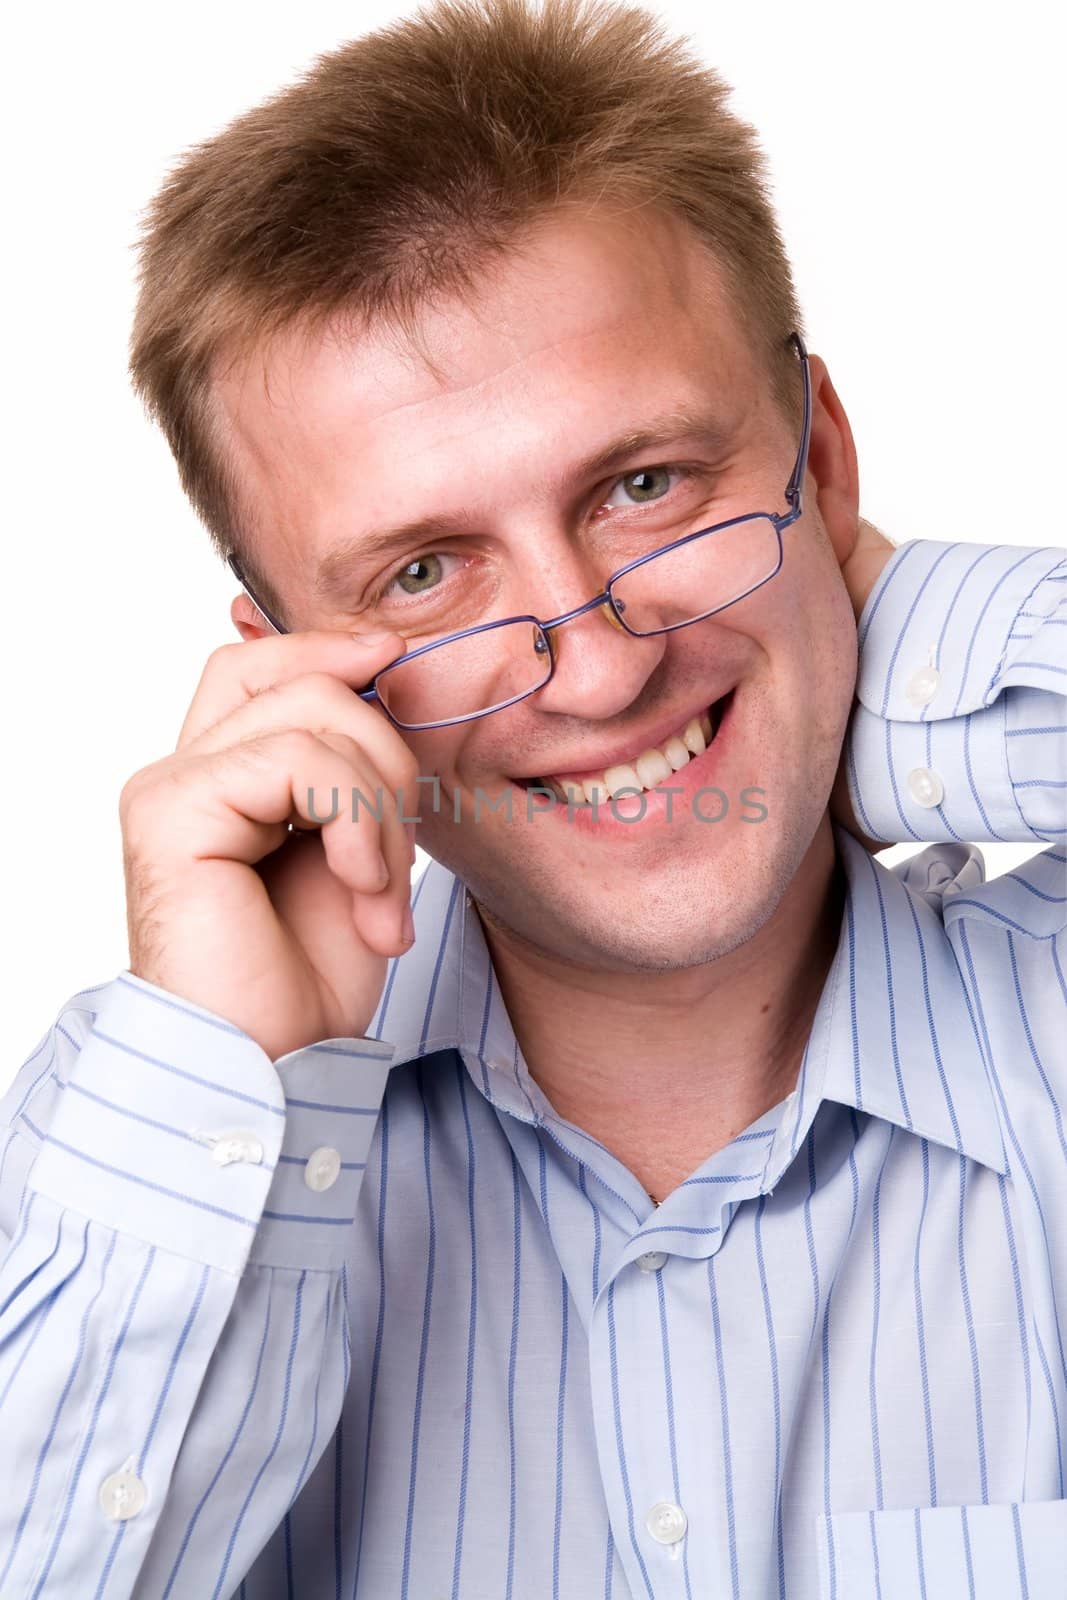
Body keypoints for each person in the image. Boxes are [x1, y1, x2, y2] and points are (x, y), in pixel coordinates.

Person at [1, 0, 1064, 1594]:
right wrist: (239, 1068)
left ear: (821, 462)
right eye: (425, 573)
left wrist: (899, 661)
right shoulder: (134, 1187)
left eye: (646, 485)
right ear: (290, 672)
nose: (594, 666)